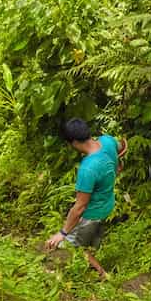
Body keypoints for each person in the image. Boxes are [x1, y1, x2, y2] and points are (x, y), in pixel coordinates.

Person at [44, 119, 127, 279]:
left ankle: (103, 275)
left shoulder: (88, 168)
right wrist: (117, 165)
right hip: (108, 205)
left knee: (71, 245)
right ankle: (92, 261)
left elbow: (80, 207)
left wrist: (62, 233)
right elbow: (122, 147)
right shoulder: (108, 141)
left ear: (74, 142)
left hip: (92, 213)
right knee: (88, 244)